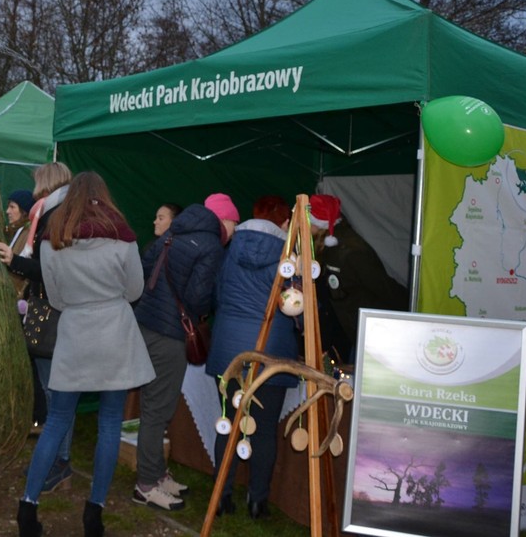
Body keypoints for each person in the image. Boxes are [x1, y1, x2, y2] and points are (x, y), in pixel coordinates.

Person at [16, 171, 155, 537]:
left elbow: (57, 298)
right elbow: (135, 289)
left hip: (75, 333)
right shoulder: (122, 239)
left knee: (57, 420)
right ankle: (95, 512)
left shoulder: (52, 243)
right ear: (104, 198)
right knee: (109, 424)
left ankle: (28, 507)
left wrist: (82, 304)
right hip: (114, 335)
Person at [131, 194, 232, 511]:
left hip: (146, 324)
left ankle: (157, 475)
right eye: (233, 222)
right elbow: (198, 297)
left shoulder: (173, 234)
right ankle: (146, 484)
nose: (234, 229)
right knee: (156, 410)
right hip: (170, 333)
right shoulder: (211, 246)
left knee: (154, 405)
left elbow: (144, 268)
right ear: (223, 221)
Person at [205, 194, 295, 520]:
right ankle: (257, 502)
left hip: (230, 351)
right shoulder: (289, 259)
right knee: (265, 429)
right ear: (285, 223)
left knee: (228, 422)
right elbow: (296, 309)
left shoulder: (229, 251)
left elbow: (216, 296)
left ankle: (222, 496)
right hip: (272, 354)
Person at [0, 162, 75, 492]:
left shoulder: (53, 217)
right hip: (53, 313)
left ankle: (60, 462)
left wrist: (14, 262)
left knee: (58, 395)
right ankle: (55, 459)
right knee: (53, 393)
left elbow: (51, 270)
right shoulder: (54, 214)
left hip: (55, 317)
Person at [308, 194, 408, 364]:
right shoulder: (326, 247)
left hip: (368, 335)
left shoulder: (351, 252)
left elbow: (384, 287)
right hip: (349, 331)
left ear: (318, 224)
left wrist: (412, 310)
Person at [3, 188, 46, 433]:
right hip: (16, 305)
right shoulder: (18, 231)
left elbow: (24, 269)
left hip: (25, 307)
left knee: (31, 365)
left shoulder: (28, 233)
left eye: (12, 206)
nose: (8, 211)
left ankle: (38, 417)